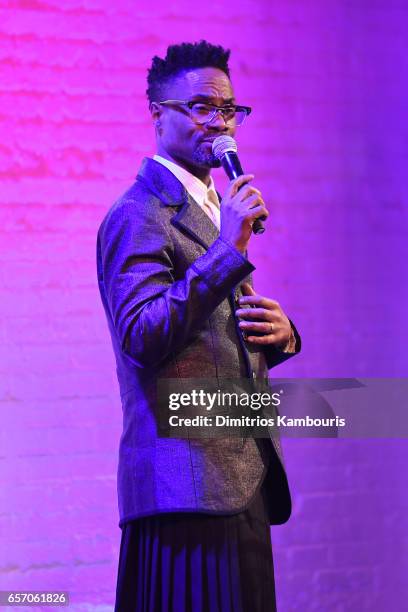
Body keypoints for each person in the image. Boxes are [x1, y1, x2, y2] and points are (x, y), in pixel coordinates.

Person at [97, 40, 301, 612]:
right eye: (202, 108)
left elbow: (210, 334)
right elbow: (142, 336)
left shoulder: (216, 209)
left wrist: (282, 335)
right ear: (158, 114)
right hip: (185, 486)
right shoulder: (138, 215)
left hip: (244, 477)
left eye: (229, 108)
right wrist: (229, 247)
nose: (221, 123)